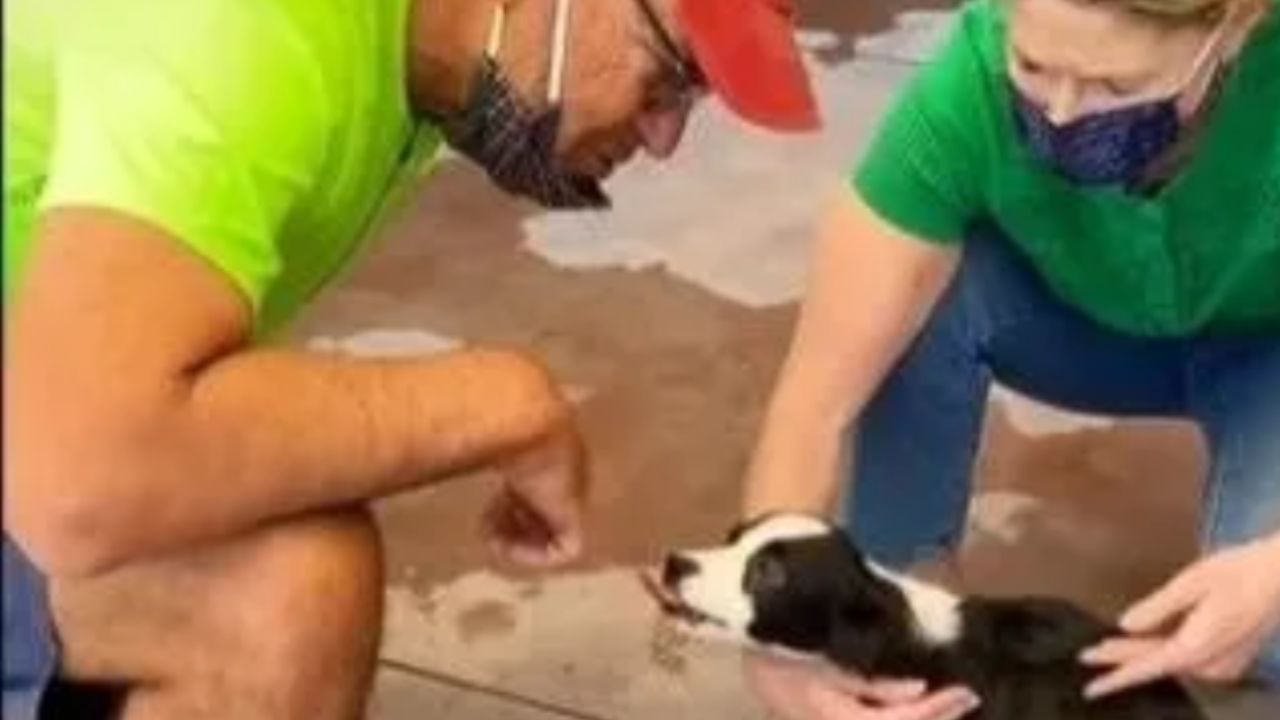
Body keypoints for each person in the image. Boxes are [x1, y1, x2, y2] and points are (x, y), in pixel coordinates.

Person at [2, 0, 819, 717]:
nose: (665, 136)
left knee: (286, 566)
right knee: (286, 591)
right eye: (672, 74)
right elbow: (81, 476)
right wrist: (500, 403)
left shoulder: (412, 67)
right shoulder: (248, 25)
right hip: (37, 437)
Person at [739, 0, 1280, 716]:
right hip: (1085, 332)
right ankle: (909, 607)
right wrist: (776, 641)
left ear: (1233, 30)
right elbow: (813, 402)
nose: (1057, 114)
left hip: (1267, 355)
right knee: (904, 300)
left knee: (1269, 636)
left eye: (1112, 88)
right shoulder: (971, 80)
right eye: (1032, 65)